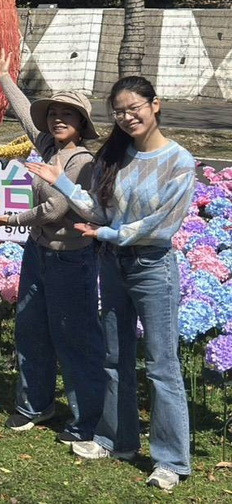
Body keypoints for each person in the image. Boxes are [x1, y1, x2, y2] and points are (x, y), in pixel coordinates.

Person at [28, 76, 196, 492]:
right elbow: (98, 210)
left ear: (155, 105)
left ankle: (170, 459)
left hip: (152, 268)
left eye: (134, 107)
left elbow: (160, 225)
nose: (126, 117)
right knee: (114, 355)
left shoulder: (180, 161)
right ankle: (115, 439)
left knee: (162, 366)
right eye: (119, 111)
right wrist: (63, 181)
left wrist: (110, 235)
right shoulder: (115, 156)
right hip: (112, 265)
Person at [0, 50, 106, 446]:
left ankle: (84, 419)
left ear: (82, 124)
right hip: (38, 255)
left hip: (72, 260)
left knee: (73, 338)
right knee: (31, 328)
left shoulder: (81, 161)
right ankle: (36, 404)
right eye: (54, 113)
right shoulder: (49, 148)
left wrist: (11, 221)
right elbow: (23, 112)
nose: (57, 119)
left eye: (67, 115)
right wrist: (4, 77)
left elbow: (54, 209)